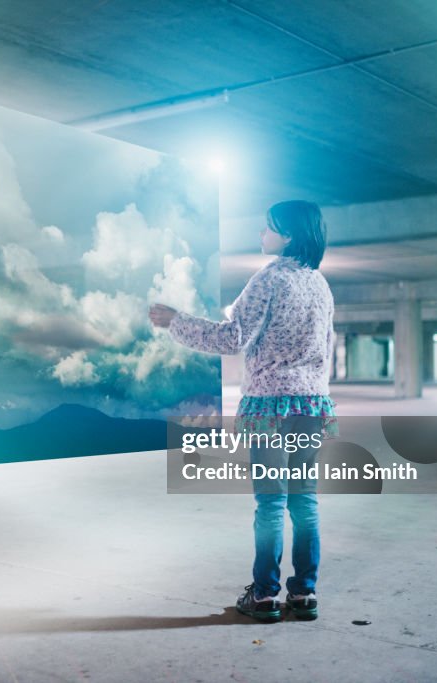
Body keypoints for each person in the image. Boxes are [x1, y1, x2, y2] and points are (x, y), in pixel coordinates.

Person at [149, 199, 336, 623]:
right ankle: (304, 595)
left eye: (267, 227)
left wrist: (177, 322)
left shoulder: (269, 279)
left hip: (270, 404)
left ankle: (266, 596)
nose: (261, 234)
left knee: (271, 504)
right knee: (304, 500)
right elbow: (328, 348)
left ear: (287, 234)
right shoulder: (319, 284)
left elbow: (233, 338)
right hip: (312, 404)